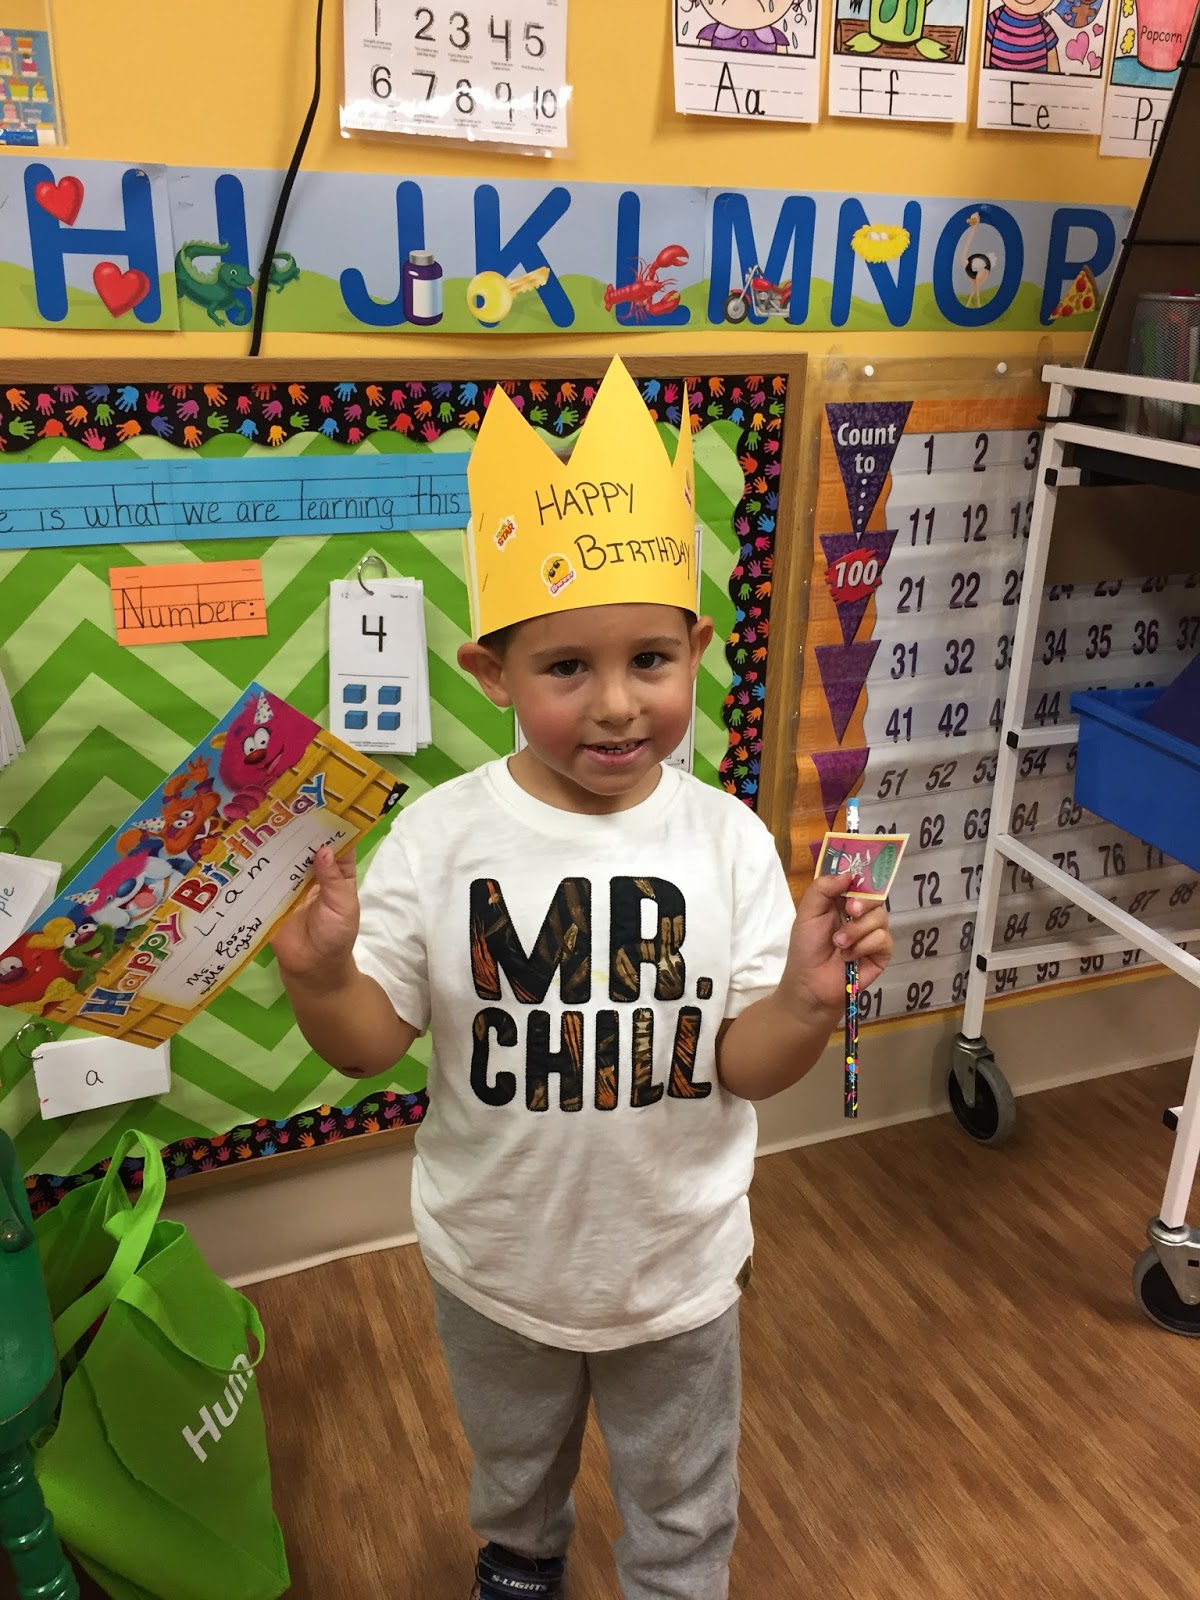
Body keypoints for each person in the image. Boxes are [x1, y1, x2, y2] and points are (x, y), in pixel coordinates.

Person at [272, 357, 893, 1600]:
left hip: (676, 1265)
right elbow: (368, 1043)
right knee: (512, 1463)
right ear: (491, 673)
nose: (617, 706)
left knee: (683, 1487)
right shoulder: (442, 838)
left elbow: (742, 1062)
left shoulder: (724, 840)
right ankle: (523, 1557)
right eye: (565, 669)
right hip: (494, 1257)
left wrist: (806, 1002)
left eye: (651, 659)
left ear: (698, 649)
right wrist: (321, 973)